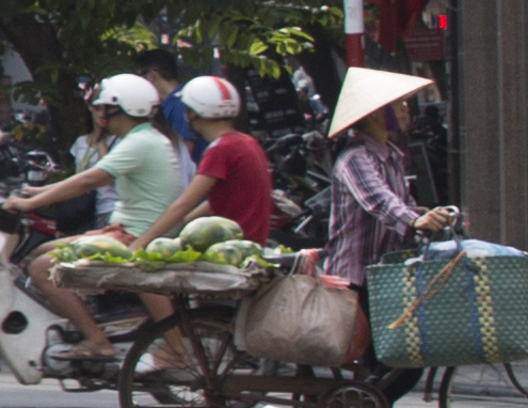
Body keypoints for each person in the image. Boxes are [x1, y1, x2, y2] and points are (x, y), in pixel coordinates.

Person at [4, 71, 186, 354]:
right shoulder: (142, 138)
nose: (99, 114)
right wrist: (35, 193)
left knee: (40, 269)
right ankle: (90, 323)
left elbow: (90, 180)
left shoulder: (140, 142)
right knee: (45, 249)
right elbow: (87, 177)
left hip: (134, 237)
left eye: (103, 108)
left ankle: (97, 340)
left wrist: (30, 204)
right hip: (124, 230)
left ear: (122, 108)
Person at [321, 67, 452, 284]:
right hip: (353, 280)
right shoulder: (355, 158)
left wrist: (424, 215)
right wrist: (415, 220)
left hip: (385, 276)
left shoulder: (392, 157)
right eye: (397, 104)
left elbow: (403, 204)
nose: (404, 109)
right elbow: (379, 200)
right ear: (375, 112)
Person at [175, 75, 290, 244]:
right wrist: (181, 226)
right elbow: (213, 203)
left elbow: (184, 204)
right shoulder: (247, 142)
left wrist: (142, 242)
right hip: (254, 241)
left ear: (193, 113)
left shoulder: (221, 149)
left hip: (232, 244)